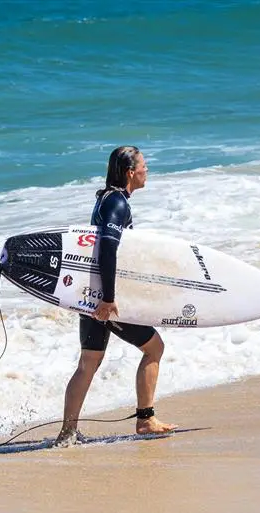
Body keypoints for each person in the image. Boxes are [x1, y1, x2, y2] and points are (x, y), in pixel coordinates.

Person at [55, 146, 177, 446]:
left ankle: (68, 432)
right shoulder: (117, 204)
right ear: (130, 172)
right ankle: (146, 419)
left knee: (89, 362)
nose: (147, 170)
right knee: (154, 348)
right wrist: (108, 300)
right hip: (103, 299)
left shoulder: (106, 200)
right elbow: (107, 250)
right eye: (144, 166)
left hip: (91, 294)